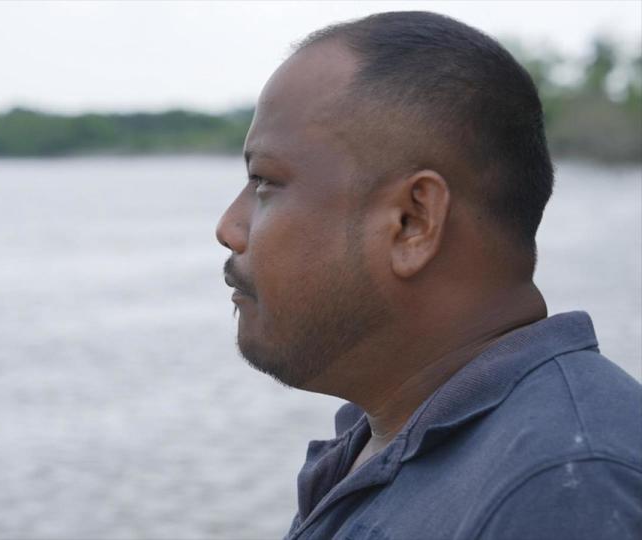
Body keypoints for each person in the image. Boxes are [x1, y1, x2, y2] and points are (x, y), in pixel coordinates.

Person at [216, 11, 641, 540]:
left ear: (413, 222)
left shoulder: (566, 489)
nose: (229, 228)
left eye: (264, 182)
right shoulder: (388, 437)